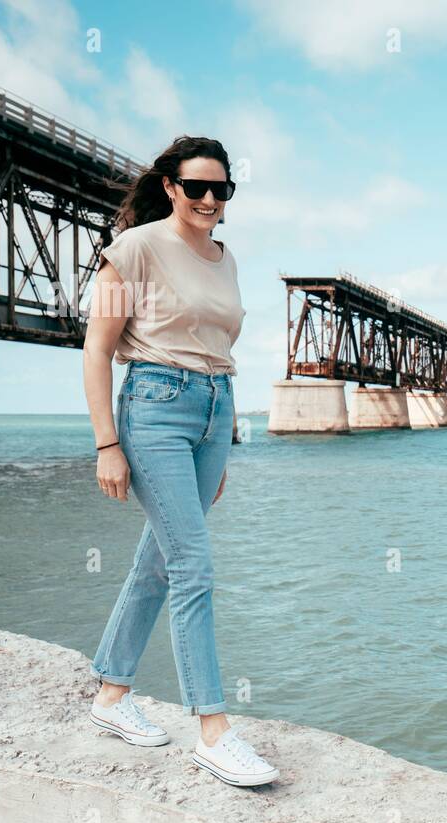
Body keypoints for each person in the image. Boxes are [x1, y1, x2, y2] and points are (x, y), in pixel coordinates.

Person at [82, 135, 278, 787]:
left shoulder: (226, 259)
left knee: (160, 559)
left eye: (221, 189)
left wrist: (221, 448)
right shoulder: (134, 249)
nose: (209, 199)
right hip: (155, 405)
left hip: (215, 410)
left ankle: (110, 694)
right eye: (196, 187)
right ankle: (214, 731)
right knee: (194, 565)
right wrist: (109, 443)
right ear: (170, 186)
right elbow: (97, 349)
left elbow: (222, 347)